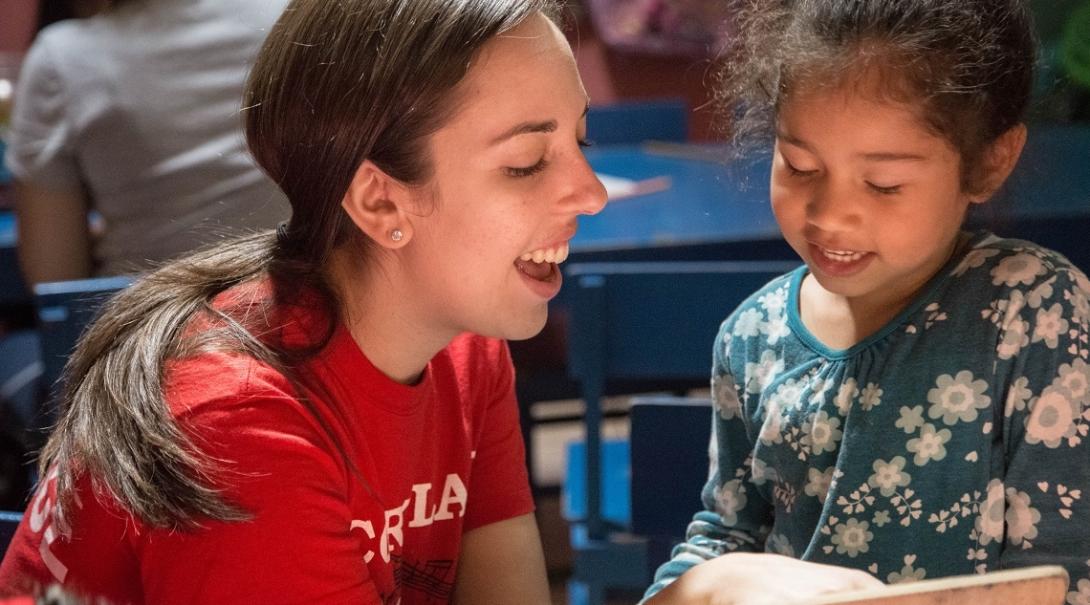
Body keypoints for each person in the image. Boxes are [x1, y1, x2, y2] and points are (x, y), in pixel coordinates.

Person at [0, 0, 606, 603]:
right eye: (526, 165)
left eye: (582, 138)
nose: (592, 194)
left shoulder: (465, 345)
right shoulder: (236, 428)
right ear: (379, 203)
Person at [642, 0, 1090, 603]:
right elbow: (727, 537)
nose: (829, 215)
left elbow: (1066, 571)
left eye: (883, 185)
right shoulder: (751, 336)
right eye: (800, 166)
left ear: (989, 161)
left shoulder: (1037, 314)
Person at [7, 0, 289, 283]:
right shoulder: (295, 14)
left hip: (151, 314)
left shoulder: (61, 59)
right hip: (305, 302)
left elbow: (54, 272)